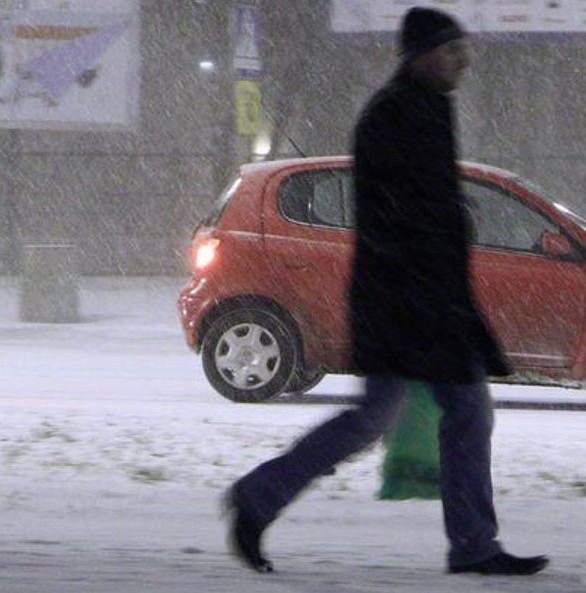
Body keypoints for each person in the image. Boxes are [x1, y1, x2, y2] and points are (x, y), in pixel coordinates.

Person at [224, 7, 549, 577]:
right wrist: (439, 253)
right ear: (422, 55)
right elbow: (399, 217)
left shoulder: (421, 108)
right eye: (452, 51)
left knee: (433, 415)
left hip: (420, 299)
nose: (464, 61)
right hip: (407, 303)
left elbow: (417, 211)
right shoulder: (398, 114)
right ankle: (260, 497)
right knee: (394, 418)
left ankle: (472, 543)